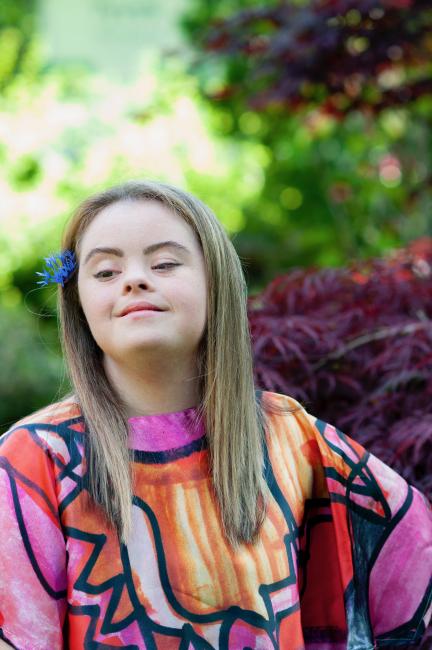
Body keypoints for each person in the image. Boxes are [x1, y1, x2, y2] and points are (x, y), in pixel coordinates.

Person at [0, 180, 430, 650]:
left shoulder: (289, 435)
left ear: (216, 282)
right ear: (78, 302)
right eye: (105, 272)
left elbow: (412, 553)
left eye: (164, 263)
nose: (134, 280)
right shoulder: (36, 456)